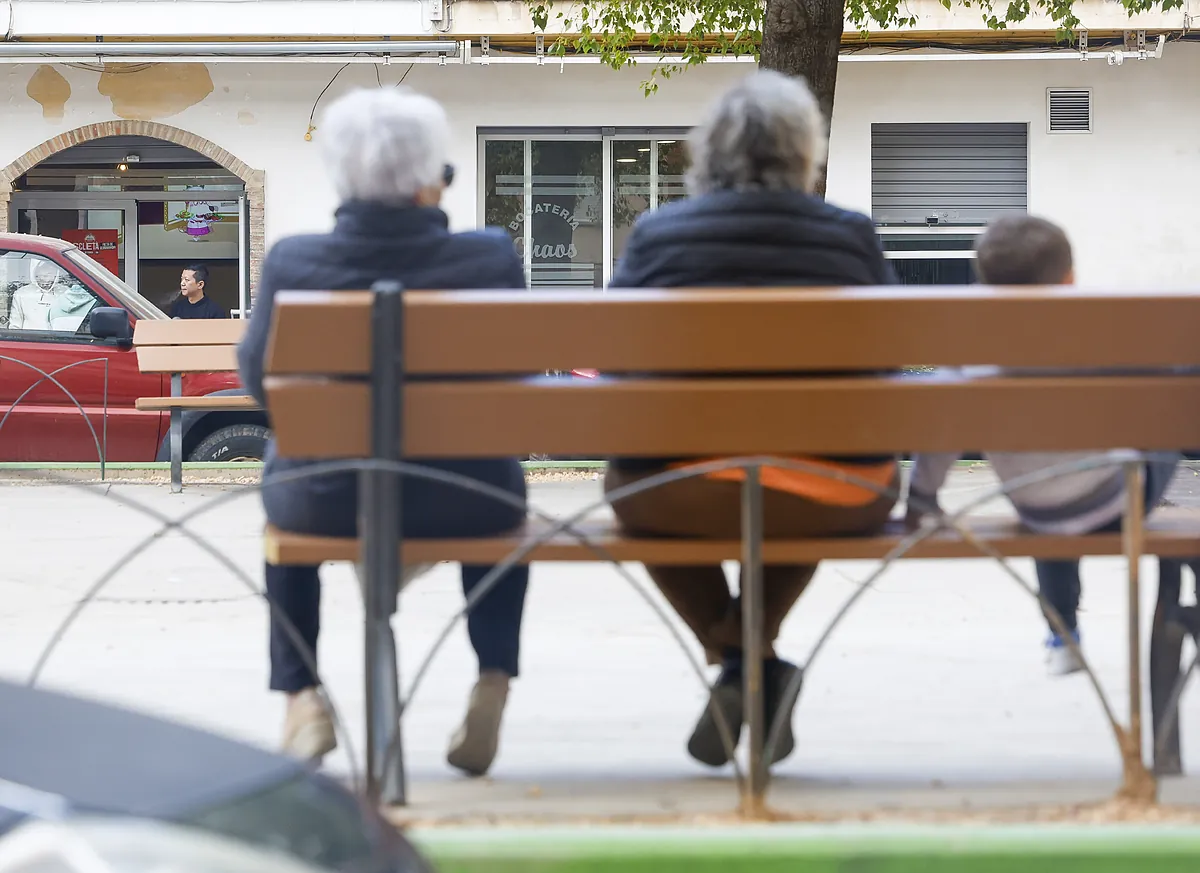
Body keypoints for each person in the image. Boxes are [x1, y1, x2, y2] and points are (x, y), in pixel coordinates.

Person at [604, 71, 900, 770]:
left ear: (710, 154)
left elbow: (615, 368)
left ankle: (740, 663)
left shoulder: (657, 234)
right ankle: (753, 657)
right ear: (805, 152)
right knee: (803, 470)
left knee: (630, 486)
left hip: (678, 489)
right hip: (830, 489)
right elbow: (889, 365)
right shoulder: (850, 235)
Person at [237, 87, 531, 776]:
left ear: (340, 174)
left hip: (329, 496)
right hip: (468, 494)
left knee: (289, 479)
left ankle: (302, 697)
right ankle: (493, 678)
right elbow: (516, 372)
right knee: (496, 480)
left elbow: (260, 383)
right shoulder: (489, 257)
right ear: (433, 177)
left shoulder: (292, 261)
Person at [906, 215, 1181, 676]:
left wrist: (922, 499)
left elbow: (941, 434)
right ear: (1069, 279)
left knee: (1052, 499)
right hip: (1120, 500)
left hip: (1038, 507)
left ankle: (1063, 634)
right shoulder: (1100, 329)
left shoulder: (968, 347)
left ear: (985, 281)